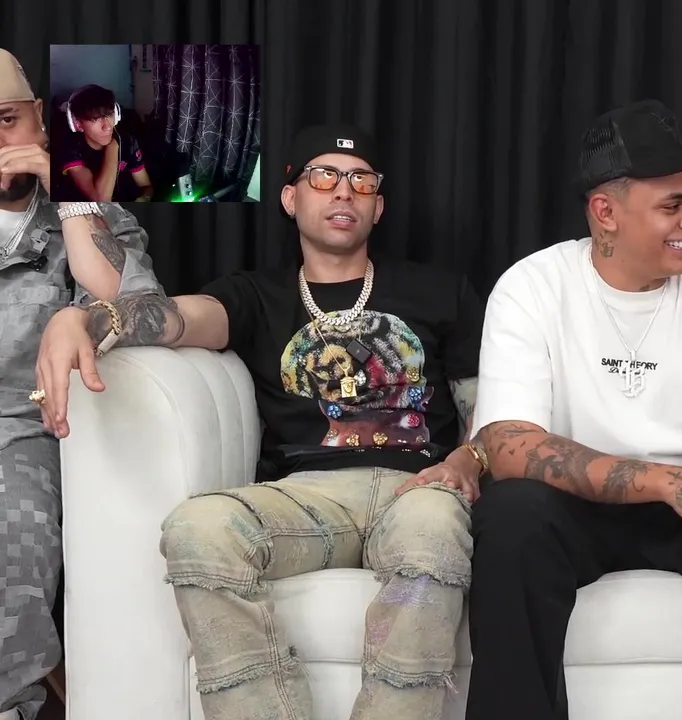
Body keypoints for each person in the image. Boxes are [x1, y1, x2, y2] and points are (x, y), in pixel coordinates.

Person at [35, 124, 483, 720]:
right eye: (324, 177)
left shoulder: (442, 290)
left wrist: (469, 458)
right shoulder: (253, 294)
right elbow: (174, 318)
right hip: (309, 496)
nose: (343, 191)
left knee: (434, 528)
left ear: (378, 206)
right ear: (291, 198)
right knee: (197, 527)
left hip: (420, 486)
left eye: (361, 182)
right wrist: (86, 319)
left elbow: (487, 407)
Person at [464, 99, 682, 720]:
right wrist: (663, 481)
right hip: (576, 504)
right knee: (512, 514)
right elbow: (510, 447)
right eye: (673, 206)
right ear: (605, 212)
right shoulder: (533, 285)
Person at [0, 48, 163, 720]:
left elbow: (141, 307)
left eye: (6, 120)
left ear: (39, 118)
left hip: (22, 430)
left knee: (11, 542)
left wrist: (70, 199)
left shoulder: (88, 212)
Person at [53, 83, 152, 202]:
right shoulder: (70, 148)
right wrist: (112, 147)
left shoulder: (127, 141)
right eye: (95, 119)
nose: (107, 127)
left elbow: (145, 185)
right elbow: (101, 199)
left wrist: (145, 198)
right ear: (77, 124)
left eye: (109, 115)